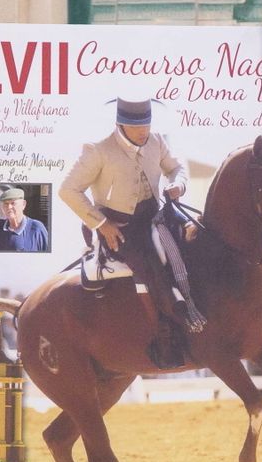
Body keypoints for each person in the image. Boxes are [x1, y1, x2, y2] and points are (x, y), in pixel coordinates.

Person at [59, 97, 202, 368]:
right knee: (148, 267)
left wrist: (178, 185)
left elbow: (177, 167)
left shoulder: (157, 140)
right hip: (118, 226)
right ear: (120, 124)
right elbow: (67, 190)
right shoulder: (97, 150)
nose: (143, 131)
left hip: (155, 215)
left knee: (200, 240)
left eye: (146, 124)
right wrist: (101, 224)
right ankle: (165, 334)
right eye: (136, 126)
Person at [0, 187, 48, 252]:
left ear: (23, 204)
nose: (9, 207)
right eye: (6, 204)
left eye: (13, 203)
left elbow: (49, 257)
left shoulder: (36, 228)